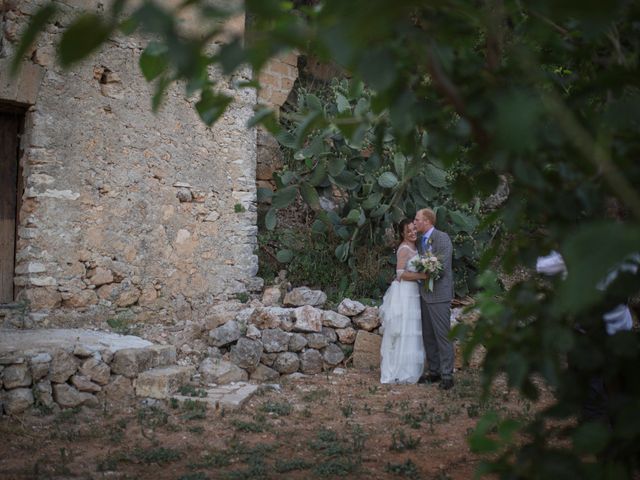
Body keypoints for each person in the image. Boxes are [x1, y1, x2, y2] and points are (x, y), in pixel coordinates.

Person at [379, 219, 428, 384]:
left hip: (414, 292)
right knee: (404, 329)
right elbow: (400, 273)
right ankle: (400, 370)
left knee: (412, 330)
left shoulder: (416, 246)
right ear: (402, 234)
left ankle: (411, 369)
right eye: (409, 231)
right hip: (406, 292)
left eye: (414, 229)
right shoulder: (404, 249)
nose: (413, 233)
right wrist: (422, 276)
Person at [413, 208, 455, 390]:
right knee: (428, 335)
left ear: (427, 221)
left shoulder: (442, 238)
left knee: (443, 335)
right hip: (424, 295)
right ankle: (435, 371)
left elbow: (443, 266)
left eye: (417, 220)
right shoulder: (421, 241)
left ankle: (447, 375)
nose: (414, 223)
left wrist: (425, 270)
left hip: (439, 295)